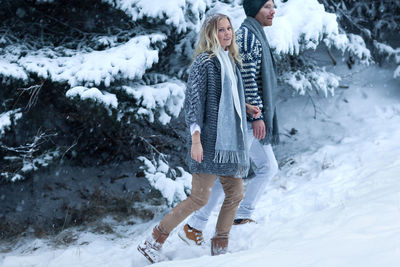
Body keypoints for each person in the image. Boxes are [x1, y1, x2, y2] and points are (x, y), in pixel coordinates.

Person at [137, 13, 257, 263]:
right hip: (208, 142)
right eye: (221, 30)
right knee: (199, 197)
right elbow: (194, 103)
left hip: (228, 144)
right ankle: (153, 241)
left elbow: (226, 100)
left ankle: (220, 247)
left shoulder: (230, 60)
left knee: (235, 193)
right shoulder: (205, 62)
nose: (227, 34)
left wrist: (244, 107)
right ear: (211, 34)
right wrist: (195, 139)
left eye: (229, 29)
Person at [180, 0, 280, 246]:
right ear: (255, 8)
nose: (272, 11)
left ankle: (239, 217)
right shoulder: (247, 37)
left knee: (267, 167)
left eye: (273, 6)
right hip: (240, 122)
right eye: (267, 6)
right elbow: (245, 80)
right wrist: (254, 115)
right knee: (228, 173)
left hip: (248, 116)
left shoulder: (253, 34)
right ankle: (197, 224)